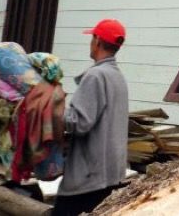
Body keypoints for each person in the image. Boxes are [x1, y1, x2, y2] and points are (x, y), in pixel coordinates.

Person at [53, 19, 129, 216]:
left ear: (97, 41)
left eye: (91, 38)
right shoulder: (117, 76)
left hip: (88, 177)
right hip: (111, 174)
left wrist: (53, 107)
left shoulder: (95, 76)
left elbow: (79, 122)